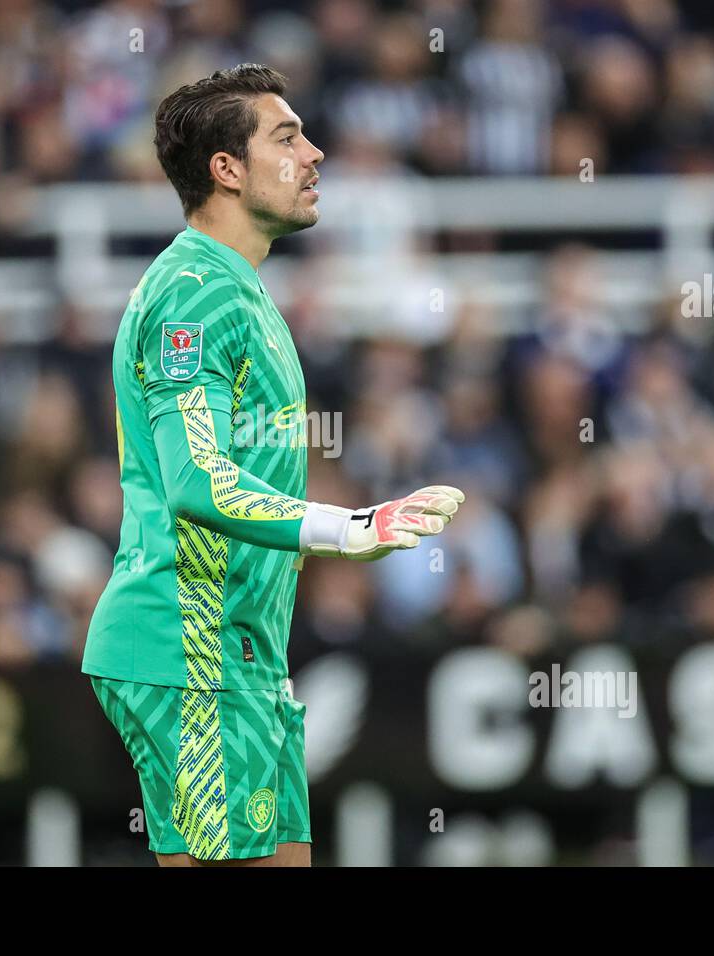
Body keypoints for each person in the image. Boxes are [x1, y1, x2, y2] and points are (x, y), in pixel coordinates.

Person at [82, 63, 463, 867]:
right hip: (190, 650)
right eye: (287, 137)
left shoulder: (240, 290)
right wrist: (348, 528)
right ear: (226, 169)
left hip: (240, 653)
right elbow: (197, 479)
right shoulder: (194, 295)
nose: (316, 153)